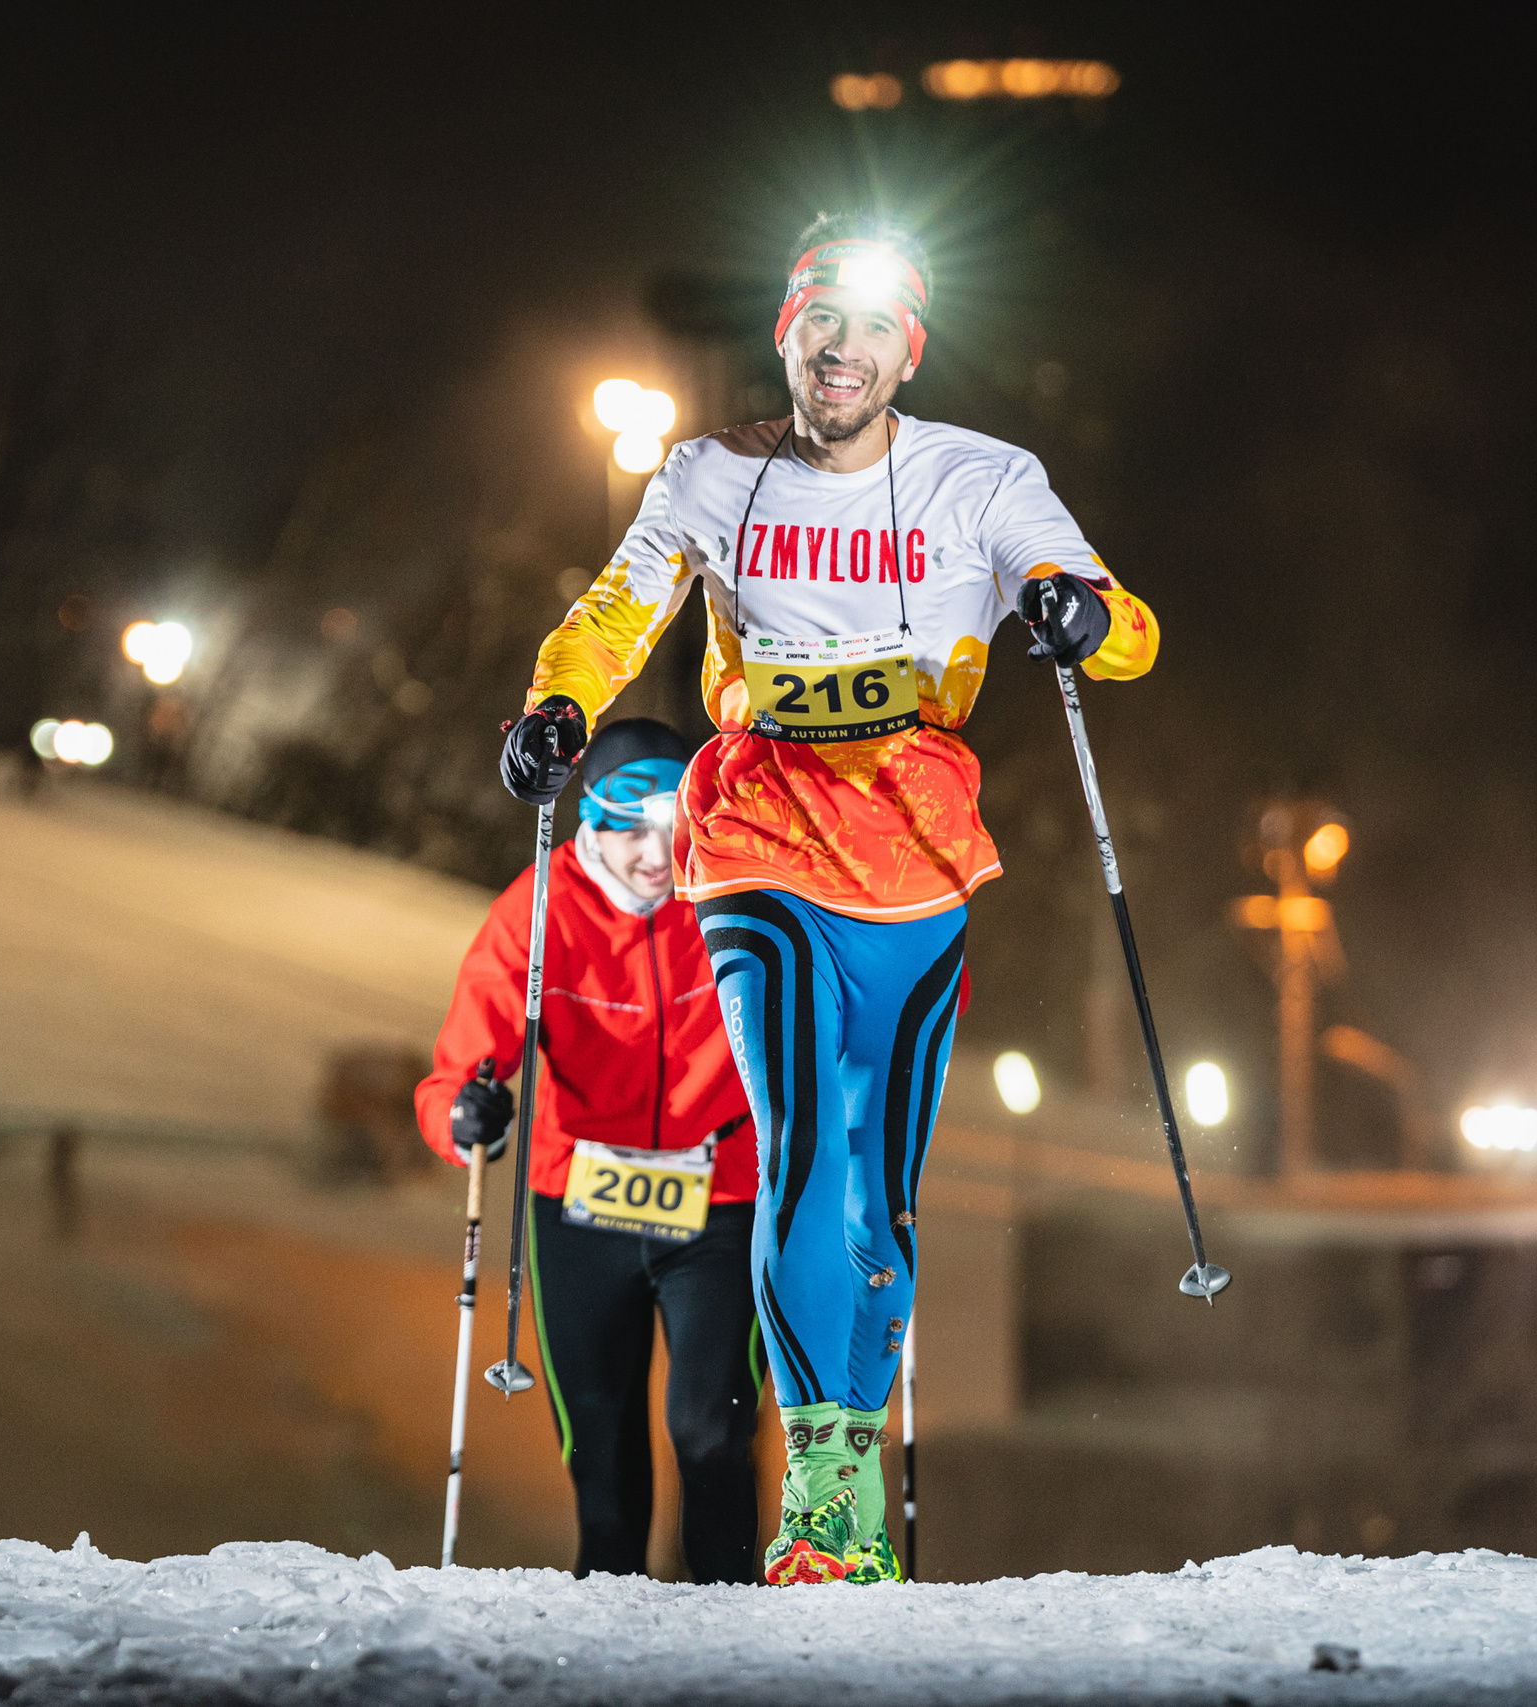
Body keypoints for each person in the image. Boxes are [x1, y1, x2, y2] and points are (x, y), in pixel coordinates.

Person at [497, 212, 1161, 1584]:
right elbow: (618, 607)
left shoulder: (982, 476)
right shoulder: (712, 471)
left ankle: (854, 1478)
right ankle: (823, 1492)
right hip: (757, 834)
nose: (840, 352)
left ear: (906, 348)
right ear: (785, 333)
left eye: (871, 329)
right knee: (804, 1141)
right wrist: (557, 704)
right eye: (819, 323)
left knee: (878, 1189)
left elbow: (1120, 617)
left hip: (917, 847)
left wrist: (1078, 614)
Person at [416, 718, 762, 1583]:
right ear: (588, 821)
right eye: (627, 824)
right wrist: (465, 1114)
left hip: (719, 1196)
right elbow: (456, 1072)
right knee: (602, 1464)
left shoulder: (735, 892)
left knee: (711, 1430)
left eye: (672, 824)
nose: (655, 851)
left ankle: (736, 1629)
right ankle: (610, 1652)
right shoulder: (537, 910)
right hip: (579, 1203)